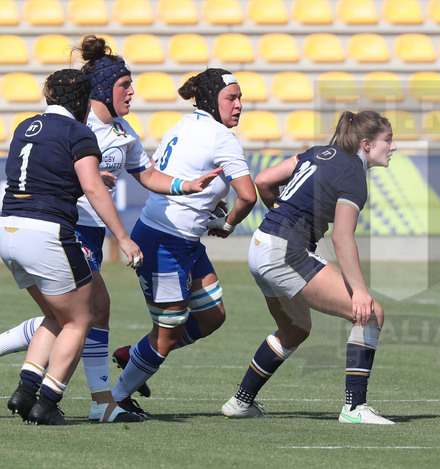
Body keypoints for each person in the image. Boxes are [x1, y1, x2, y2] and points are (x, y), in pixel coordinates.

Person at [0, 36, 221, 422]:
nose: (132, 91)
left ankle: (46, 391)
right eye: (124, 85)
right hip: (65, 230)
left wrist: (186, 185)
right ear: (101, 90)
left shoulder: (123, 131)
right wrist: (104, 202)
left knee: (67, 315)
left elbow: (147, 174)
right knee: (89, 311)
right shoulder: (74, 123)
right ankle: (100, 401)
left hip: (80, 233)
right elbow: (70, 174)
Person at [221, 110, 396, 425]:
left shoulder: (318, 153)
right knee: (370, 313)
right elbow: (342, 238)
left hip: (260, 244)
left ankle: (240, 402)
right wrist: (359, 291)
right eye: (389, 140)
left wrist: (277, 210)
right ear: (367, 144)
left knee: (294, 330)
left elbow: (263, 180)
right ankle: (355, 408)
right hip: (284, 251)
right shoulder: (354, 174)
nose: (393, 147)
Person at [110, 68, 257, 417]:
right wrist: (227, 224)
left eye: (240, 99)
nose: (238, 106)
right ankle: (114, 398)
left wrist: (207, 203)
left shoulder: (183, 124)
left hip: (178, 239)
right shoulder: (222, 138)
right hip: (165, 242)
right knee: (169, 332)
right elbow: (248, 196)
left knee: (211, 316)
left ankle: (134, 354)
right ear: (210, 100)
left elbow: (170, 173)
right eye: (231, 98)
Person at [2, 69, 143, 425]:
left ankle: (24, 391)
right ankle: (47, 401)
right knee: (83, 318)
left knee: (57, 315)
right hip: (47, 232)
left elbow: (45, 178)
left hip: (8, 228)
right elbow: (95, 191)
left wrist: (85, 180)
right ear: (81, 101)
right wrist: (124, 239)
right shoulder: (78, 132)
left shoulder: (25, 126)